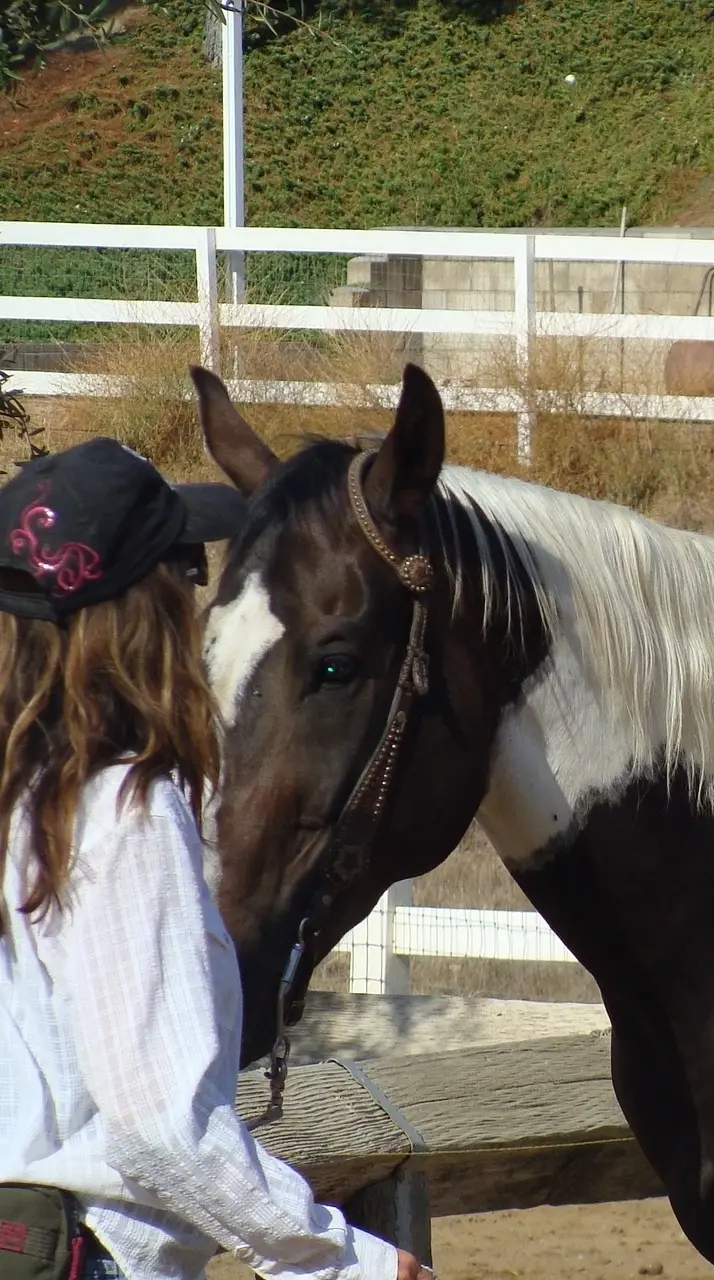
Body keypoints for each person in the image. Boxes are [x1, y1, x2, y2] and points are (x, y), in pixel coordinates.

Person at [0, 438, 425, 1280]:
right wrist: (342, 1262)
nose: (199, 595)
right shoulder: (124, 810)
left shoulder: (25, 796)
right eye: (188, 570)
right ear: (145, 604)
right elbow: (160, 1123)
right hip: (93, 1255)